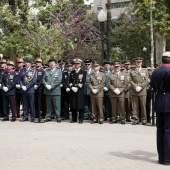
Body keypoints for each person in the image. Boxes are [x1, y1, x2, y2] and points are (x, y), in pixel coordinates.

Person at [151, 52, 170, 165]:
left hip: (159, 101)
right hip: (168, 102)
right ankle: (167, 158)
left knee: (160, 131)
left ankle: (161, 157)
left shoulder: (155, 72)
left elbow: (153, 87)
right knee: (168, 131)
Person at [130, 57, 148, 125]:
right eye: (137, 62)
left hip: (142, 90)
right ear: (135, 63)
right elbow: (130, 80)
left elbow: (146, 80)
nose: (138, 63)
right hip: (134, 90)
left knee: (143, 105)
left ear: (141, 63)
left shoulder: (145, 70)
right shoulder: (132, 71)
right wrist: (135, 87)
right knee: (135, 106)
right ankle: (136, 119)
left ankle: (144, 119)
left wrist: (140, 87)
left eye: (139, 62)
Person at [69, 58, 86, 124]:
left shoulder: (83, 72)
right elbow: (70, 81)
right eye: (75, 64)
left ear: (80, 64)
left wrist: (77, 87)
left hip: (80, 91)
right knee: (73, 105)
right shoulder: (72, 72)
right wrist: (72, 87)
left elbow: (83, 82)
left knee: (80, 105)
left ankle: (81, 119)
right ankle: (74, 118)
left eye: (78, 64)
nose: (76, 65)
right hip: (73, 90)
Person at [20, 58, 36, 122]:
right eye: (25, 62)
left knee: (31, 104)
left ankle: (32, 117)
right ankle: (25, 117)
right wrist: (22, 86)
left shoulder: (33, 70)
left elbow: (33, 80)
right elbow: (20, 79)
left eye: (28, 62)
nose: (26, 63)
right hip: (24, 90)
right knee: (25, 104)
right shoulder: (22, 70)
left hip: (30, 90)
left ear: (30, 63)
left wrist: (27, 86)